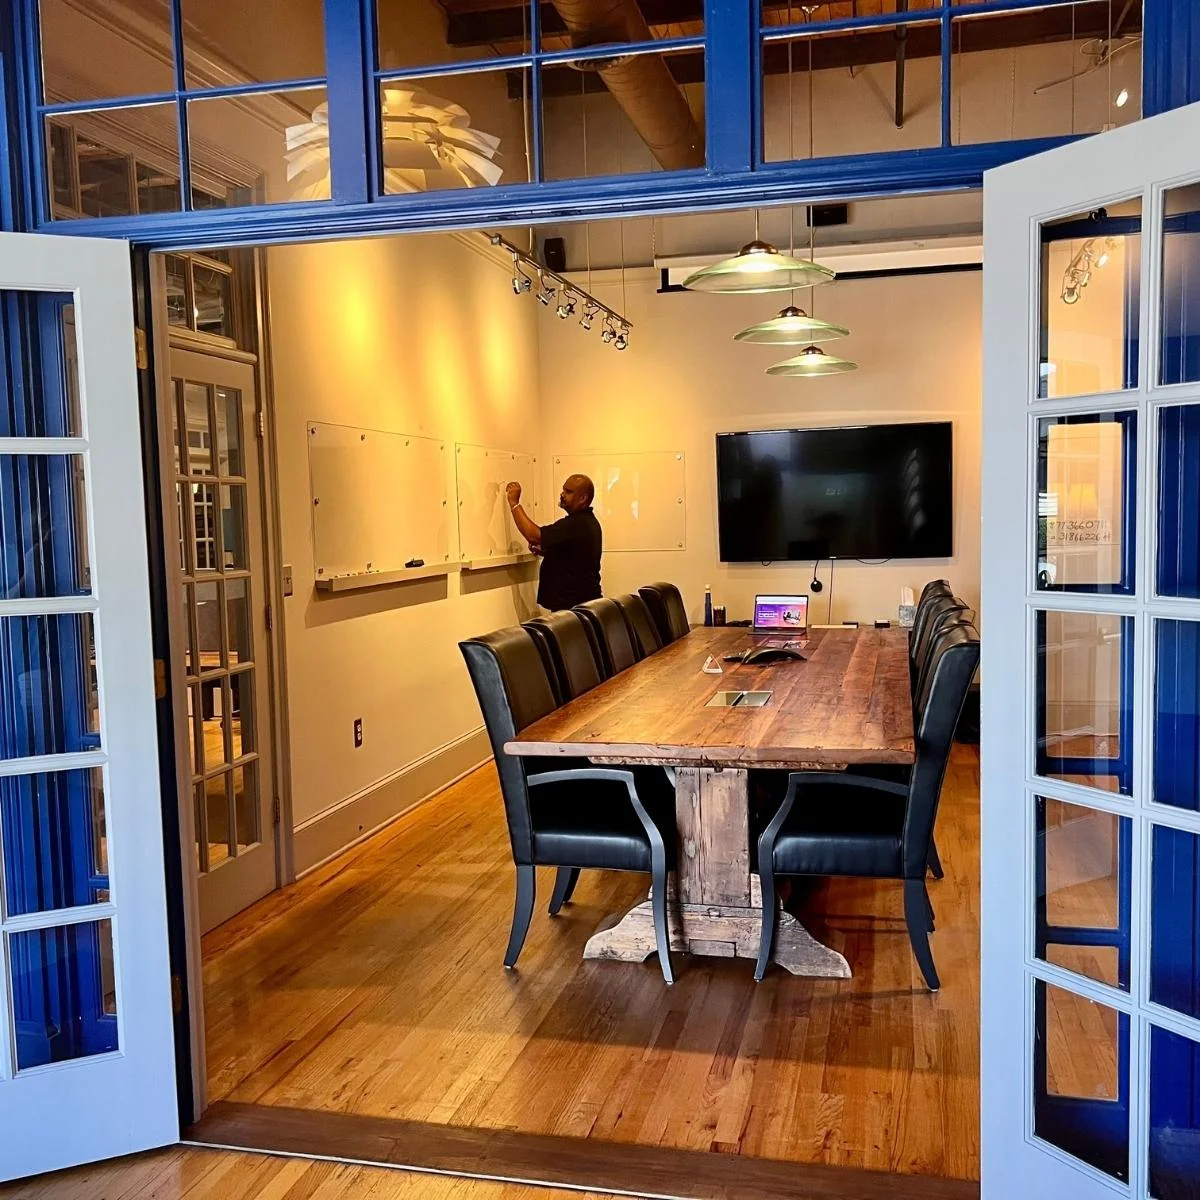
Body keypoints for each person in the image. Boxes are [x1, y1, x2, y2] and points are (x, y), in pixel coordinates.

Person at [506, 474, 602, 611]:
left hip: (575, 610)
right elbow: (572, 554)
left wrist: (514, 504)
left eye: (568, 492)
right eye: (563, 490)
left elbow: (534, 536)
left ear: (583, 498)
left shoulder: (577, 524)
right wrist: (548, 551)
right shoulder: (585, 522)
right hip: (577, 607)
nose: (562, 494)